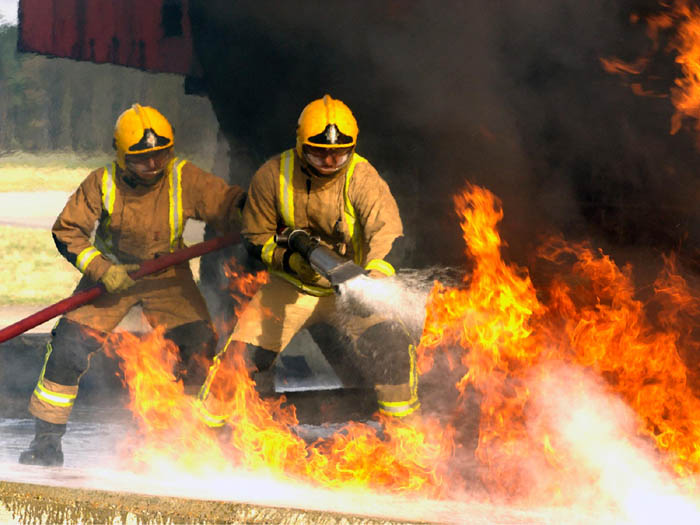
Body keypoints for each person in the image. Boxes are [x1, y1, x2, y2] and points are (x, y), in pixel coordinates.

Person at [19, 104, 246, 466]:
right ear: (121, 155)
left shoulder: (183, 176)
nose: (153, 164)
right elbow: (67, 231)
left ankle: (197, 443)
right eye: (141, 159)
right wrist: (101, 268)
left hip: (167, 274)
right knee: (67, 349)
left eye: (161, 154)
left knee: (199, 346)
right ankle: (45, 443)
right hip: (113, 277)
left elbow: (227, 205)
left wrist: (258, 210)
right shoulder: (102, 182)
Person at [196, 94, 419, 430]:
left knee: (393, 346)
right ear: (301, 144)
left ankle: (405, 434)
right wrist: (290, 261)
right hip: (291, 287)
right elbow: (256, 237)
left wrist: (373, 278)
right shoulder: (273, 175)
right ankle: (204, 434)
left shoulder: (363, 177)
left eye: (339, 153)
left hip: (352, 290)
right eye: (319, 152)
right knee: (240, 359)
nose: (329, 160)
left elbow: (387, 231)